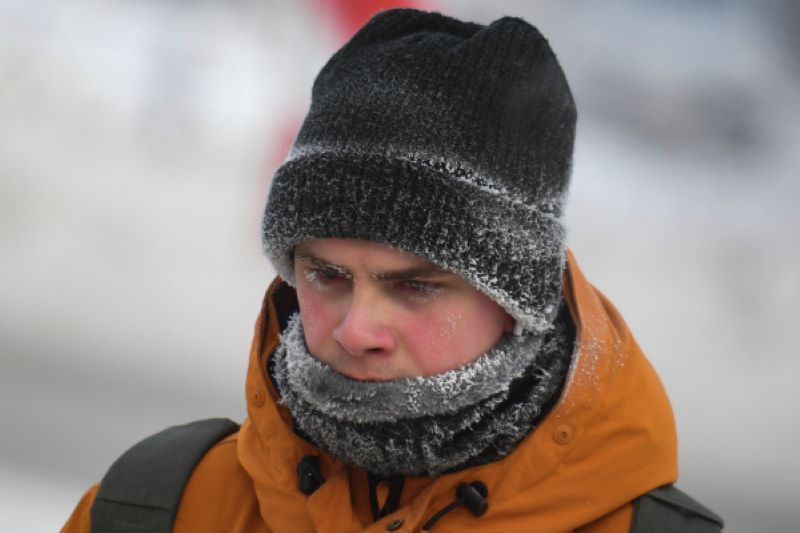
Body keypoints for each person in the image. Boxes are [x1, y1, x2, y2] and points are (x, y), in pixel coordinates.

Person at [63, 8, 724, 532]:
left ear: (517, 301)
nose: (355, 330)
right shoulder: (158, 509)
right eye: (327, 276)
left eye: (414, 286)